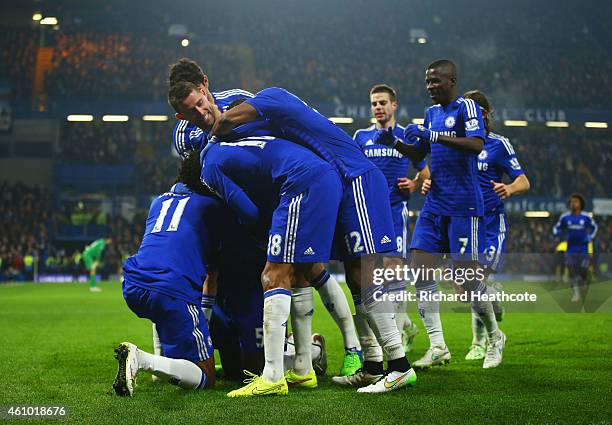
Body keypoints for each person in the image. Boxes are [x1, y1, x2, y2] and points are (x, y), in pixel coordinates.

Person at [211, 86, 416, 393]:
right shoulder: (284, 116)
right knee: (356, 277)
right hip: (341, 182)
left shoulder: (272, 98)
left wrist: (206, 135)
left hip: (353, 175)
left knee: (366, 273)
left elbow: (224, 123)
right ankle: (374, 366)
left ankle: (399, 366)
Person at [170, 65, 362, 378]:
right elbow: (198, 179)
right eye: (189, 110)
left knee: (303, 271)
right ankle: (298, 360)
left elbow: (275, 133)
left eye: (199, 98)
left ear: (204, 84)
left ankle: (339, 350)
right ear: (180, 113)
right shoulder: (185, 136)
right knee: (266, 276)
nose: (199, 110)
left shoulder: (240, 100)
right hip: (236, 211)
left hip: (279, 193)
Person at [379, 59, 506, 369]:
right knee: (421, 269)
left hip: (464, 205)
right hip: (435, 203)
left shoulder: (467, 109)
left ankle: (494, 336)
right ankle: (438, 345)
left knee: (469, 280)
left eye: (436, 81)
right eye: (427, 81)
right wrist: (395, 142)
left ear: (452, 80)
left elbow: (476, 145)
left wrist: (432, 136)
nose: (430, 86)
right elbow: (420, 153)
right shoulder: (432, 114)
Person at [422, 90, 530, 360]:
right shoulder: (454, 143)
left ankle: (480, 341)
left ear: (484, 114)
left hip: (491, 222)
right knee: (467, 286)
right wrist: (429, 181)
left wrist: (509, 188)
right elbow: (442, 171)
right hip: (461, 214)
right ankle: (489, 313)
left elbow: (523, 181)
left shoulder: (497, 144)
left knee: (474, 279)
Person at [114, 182, 221, 396]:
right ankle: (141, 359)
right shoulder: (210, 204)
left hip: (134, 281)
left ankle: (158, 364)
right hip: (170, 289)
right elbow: (212, 273)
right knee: (206, 376)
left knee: (161, 309)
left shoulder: (159, 200)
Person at [353, 83, 430, 353]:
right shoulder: (361, 136)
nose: (378, 107)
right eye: (374, 103)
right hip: (367, 212)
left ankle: (394, 339)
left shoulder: (405, 137)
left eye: (383, 103)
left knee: (393, 268)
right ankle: (406, 324)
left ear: (394, 105)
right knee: (369, 274)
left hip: (394, 210)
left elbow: (425, 172)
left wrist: (412, 183)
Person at [168, 58, 254, 159]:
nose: (200, 112)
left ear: (205, 82)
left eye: (196, 92)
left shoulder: (239, 97)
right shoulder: (184, 135)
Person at [553, 193, 597, 302]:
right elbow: (556, 228)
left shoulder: (586, 217)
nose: (573, 203)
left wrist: (590, 237)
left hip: (583, 248)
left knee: (583, 271)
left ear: (580, 204)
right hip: (571, 248)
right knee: (571, 270)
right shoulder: (565, 217)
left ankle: (584, 282)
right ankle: (575, 294)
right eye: (572, 202)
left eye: (576, 201)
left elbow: (594, 227)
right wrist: (559, 234)